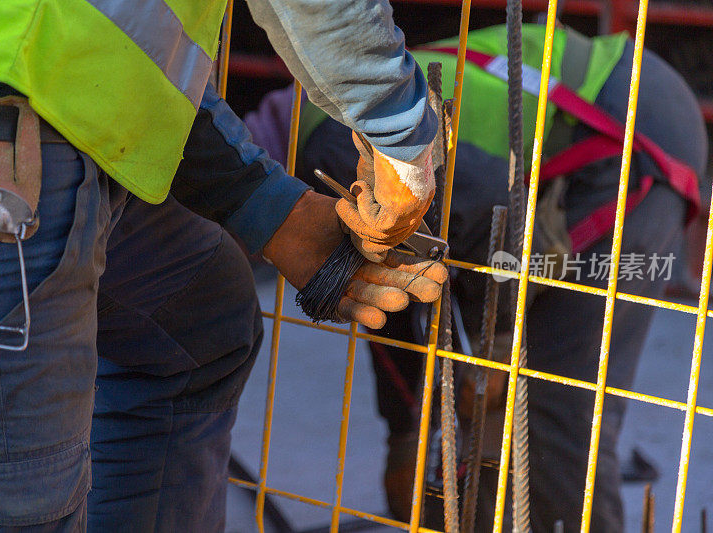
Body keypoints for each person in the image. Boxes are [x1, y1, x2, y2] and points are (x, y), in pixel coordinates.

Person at [0, 1, 445, 531]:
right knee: (3, 495)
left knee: (198, 319)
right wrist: (399, 128)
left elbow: (128, 45)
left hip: (55, 91)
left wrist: (271, 209)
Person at [245, 23, 707, 531]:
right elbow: (398, 292)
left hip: (627, 123)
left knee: (547, 405)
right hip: (603, 110)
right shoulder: (310, 132)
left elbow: (493, 214)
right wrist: (405, 440)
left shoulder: (328, 154)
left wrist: (497, 350)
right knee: (499, 408)